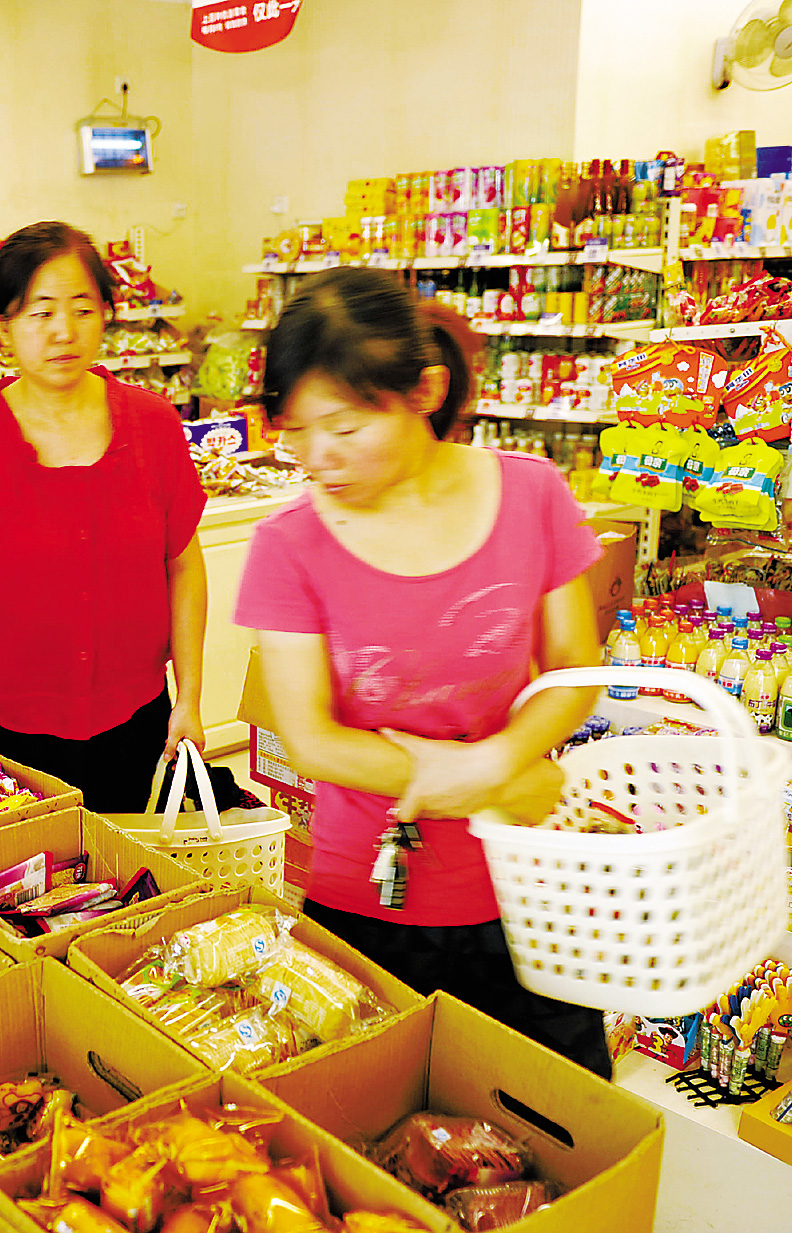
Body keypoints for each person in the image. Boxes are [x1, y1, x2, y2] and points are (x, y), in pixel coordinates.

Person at [233, 267, 610, 1076]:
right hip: (368, 891)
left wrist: (496, 762)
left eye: (342, 427)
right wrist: (487, 778)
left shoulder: (532, 494)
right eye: (297, 432)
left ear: (425, 390)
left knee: (560, 1114)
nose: (317, 458)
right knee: (375, 1142)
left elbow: (576, 671)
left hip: (526, 884)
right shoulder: (288, 546)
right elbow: (314, 741)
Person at [0, 221, 208, 811]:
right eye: (40, 313)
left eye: (82, 309)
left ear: (106, 314)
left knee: (128, 891)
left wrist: (190, 699)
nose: (63, 332)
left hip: (135, 725)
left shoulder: (154, 427)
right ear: (3, 325)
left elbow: (184, 565)